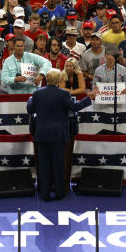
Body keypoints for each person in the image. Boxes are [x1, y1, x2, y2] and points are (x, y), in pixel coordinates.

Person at [26, 69, 96, 201]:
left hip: (41, 134)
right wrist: (89, 98)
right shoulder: (63, 94)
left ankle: (45, 193)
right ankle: (59, 192)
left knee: (44, 165)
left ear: (46, 79)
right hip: (58, 135)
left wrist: (30, 100)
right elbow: (75, 108)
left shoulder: (37, 93)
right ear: (58, 81)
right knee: (58, 165)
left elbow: (30, 110)